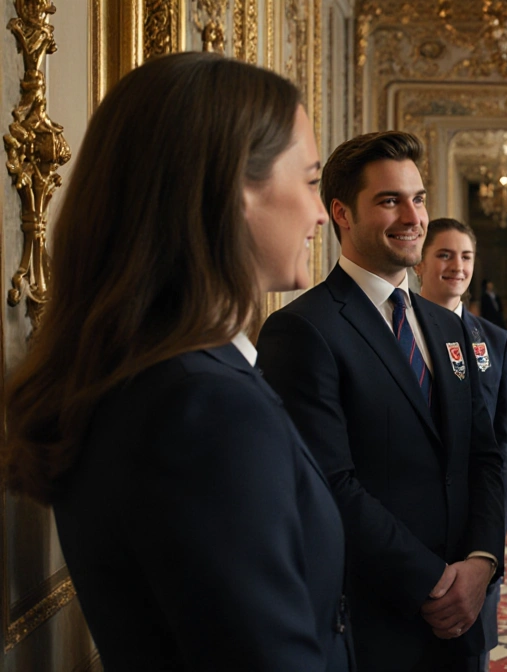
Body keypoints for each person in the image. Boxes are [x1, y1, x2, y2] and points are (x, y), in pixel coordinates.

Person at [2, 53, 350, 671]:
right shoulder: (206, 407)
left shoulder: (155, 377)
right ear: (234, 189)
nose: (320, 212)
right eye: (308, 180)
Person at [257, 131, 506, 672]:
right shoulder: (302, 330)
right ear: (341, 213)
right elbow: (329, 484)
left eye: (418, 199)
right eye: (390, 201)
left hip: (467, 616)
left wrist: (482, 563)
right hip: (374, 620)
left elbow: (485, 454)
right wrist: (434, 581)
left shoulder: (449, 326)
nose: (413, 217)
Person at [415, 218, 507, 671]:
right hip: (412, 531)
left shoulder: (496, 341)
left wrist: (490, 534)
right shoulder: (394, 335)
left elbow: (505, 443)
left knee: (471, 652)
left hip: (478, 527)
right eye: (444, 254)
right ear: (419, 263)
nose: (457, 266)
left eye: (466, 256)